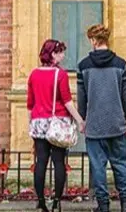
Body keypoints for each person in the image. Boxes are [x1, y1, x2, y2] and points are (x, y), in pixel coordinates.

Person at [77, 25, 126, 212]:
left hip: (94, 125)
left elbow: (82, 97)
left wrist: (83, 119)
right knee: (121, 163)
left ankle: (103, 205)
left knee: (98, 166)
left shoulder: (83, 66)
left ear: (93, 41)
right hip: (117, 123)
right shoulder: (121, 64)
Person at [27, 39, 85, 212]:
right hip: (57, 122)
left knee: (41, 162)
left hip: (38, 121)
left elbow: (30, 103)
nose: (63, 55)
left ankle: (40, 202)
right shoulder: (60, 75)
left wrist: (30, 124)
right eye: (60, 52)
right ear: (53, 54)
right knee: (58, 162)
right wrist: (80, 120)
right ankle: (57, 201)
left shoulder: (33, 74)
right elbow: (67, 101)